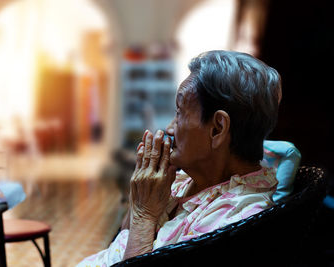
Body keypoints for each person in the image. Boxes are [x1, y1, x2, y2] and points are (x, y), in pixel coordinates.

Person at [77, 50, 282, 266]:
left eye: (179, 112)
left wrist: (144, 214)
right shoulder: (186, 179)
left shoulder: (234, 221)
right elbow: (124, 239)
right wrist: (140, 194)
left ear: (217, 129)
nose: (169, 129)